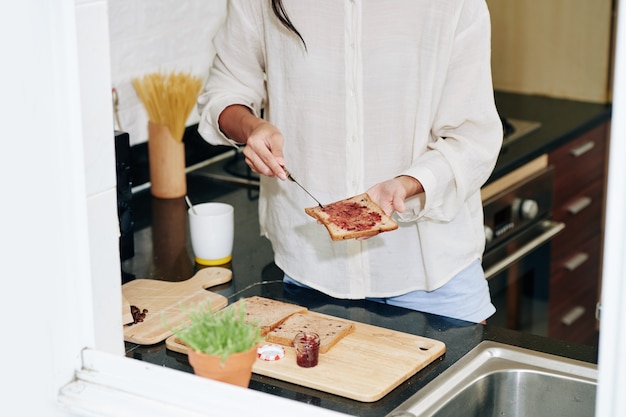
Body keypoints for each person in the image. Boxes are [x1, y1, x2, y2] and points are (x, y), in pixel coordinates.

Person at [197, 0, 503, 324]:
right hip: (310, 271)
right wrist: (253, 127)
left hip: (433, 276)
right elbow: (224, 90)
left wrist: (406, 185)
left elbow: (473, 138)